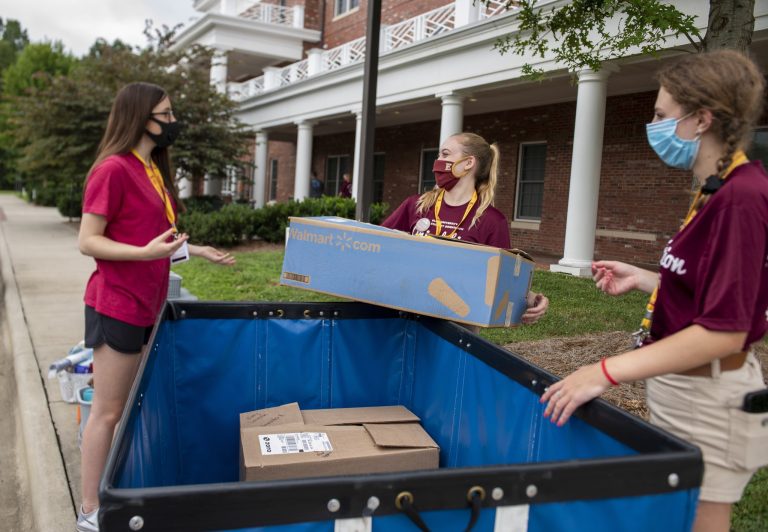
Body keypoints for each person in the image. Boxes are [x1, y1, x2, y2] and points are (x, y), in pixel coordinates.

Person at [540, 50, 768, 532]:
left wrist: (602, 371)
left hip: (711, 397)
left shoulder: (741, 197)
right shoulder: (713, 190)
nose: (654, 125)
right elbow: (713, 290)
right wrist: (647, 280)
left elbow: (725, 329)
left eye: (662, 116)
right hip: (683, 386)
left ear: (702, 119)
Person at [76, 82, 236, 532]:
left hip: (148, 305)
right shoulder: (113, 169)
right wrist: (145, 255)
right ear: (140, 116)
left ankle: (114, 491)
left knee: (126, 407)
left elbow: (153, 242)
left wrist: (196, 250)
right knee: (108, 410)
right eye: (164, 114)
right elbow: (88, 240)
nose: (171, 122)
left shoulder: (152, 170)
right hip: (117, 303)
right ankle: (90, 510)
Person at [382, 132, 548, 324]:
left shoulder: (492, 221)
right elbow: (380, 247)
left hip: (457, 326)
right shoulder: (416, 205)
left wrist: (532, 300)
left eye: (445, 154)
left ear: (468, 163)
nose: (438, 161)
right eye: (438, 155)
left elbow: (503, 281)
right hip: (404, 317)